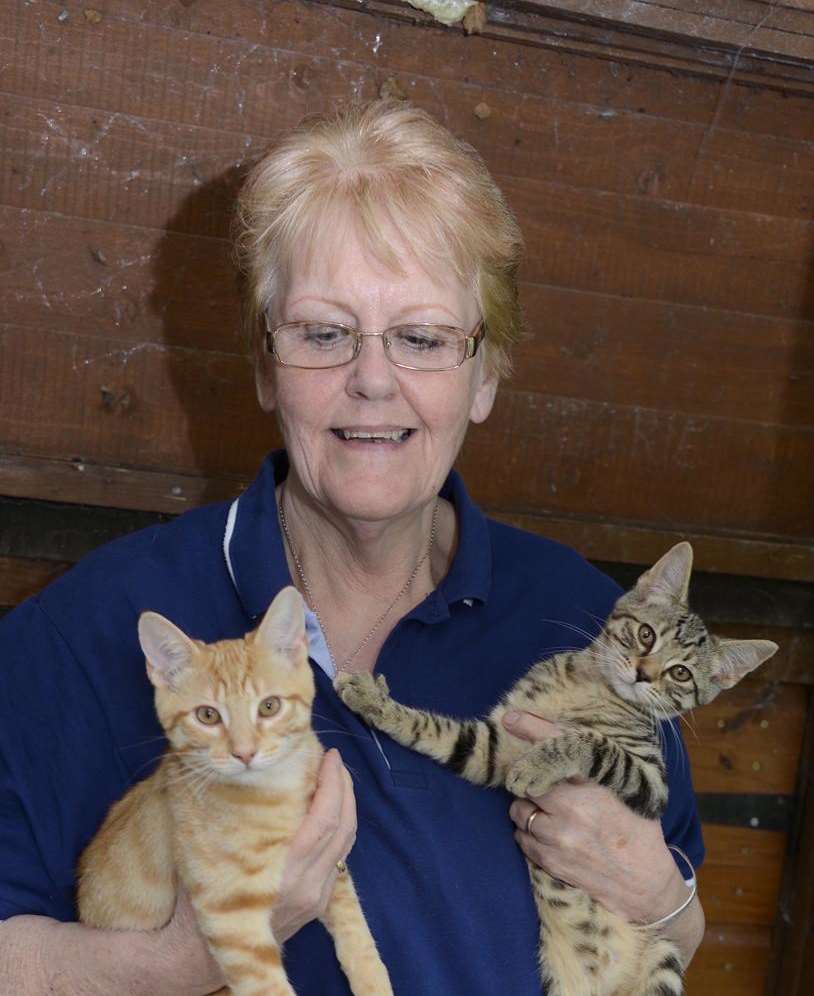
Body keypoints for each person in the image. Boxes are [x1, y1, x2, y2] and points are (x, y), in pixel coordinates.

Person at [0, 100, 705, 995]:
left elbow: (682, 918)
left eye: (421, 338)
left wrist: (658, 899)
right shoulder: (88, 628)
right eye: (324, 334)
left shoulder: (588, 632)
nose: (373, 381)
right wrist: (175, 961)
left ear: (485, 375)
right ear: (265, 365)